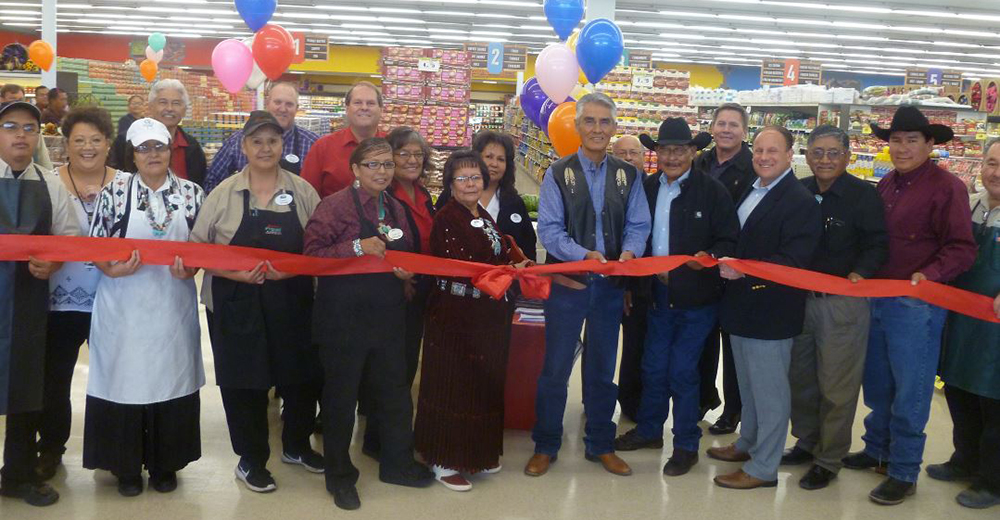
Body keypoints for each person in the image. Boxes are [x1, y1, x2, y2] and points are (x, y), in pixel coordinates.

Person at [843, 106, 977, 505]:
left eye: (911, 140)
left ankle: (903, 471)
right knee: (879, 385)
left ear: (929, 143)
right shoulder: (887, 185)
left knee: (912, 392)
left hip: (917, 307)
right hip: (879, 298)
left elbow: (962, 248)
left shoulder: (947, 187)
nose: (902, 148)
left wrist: (930, 275)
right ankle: (877, 449)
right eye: (896, 140)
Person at [190, 111, 324, 493]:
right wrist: (235, 274)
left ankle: (296, 446)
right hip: (235, 302)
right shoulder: (223, 193)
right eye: (257, 141)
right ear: (244, 147)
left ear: (283, 146)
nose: (266, 148)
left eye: (273, 141)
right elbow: (198, 249)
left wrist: (293, 271)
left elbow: (317, 249)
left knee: (300, 378)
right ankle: (251, 459)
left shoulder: (302, 192)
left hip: (292, 299)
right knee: (243, 384)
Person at [303, 137, 433, 510]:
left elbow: (408, 254)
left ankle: (397, 463)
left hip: (388, 318)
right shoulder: (334, 207)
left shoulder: (396, 208)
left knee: (394, 394)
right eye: (372, 165)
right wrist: (357, 247)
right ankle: (340, 476)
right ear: (356, 170)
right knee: (341, 400)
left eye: (387, 164)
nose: (382, 172)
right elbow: (311, 256)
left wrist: (408, 274)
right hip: (343, 320)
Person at [526, 92, 651, 478]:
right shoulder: (557, 173)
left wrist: (628, 253)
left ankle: (600, 443)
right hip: (569, 284)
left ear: (614, 128)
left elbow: (638, 224)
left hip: (610, 288)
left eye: (605, 122)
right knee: (555, 369)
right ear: (578, 126)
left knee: (601, 371)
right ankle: (546, 444)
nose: (597, 129)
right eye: (590, 121)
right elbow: (549, 230)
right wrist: (584, 255)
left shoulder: (627, 174)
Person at [84, 117, 206, 497]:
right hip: (123, 306)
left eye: (160, 147)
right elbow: (95, 246)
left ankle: (165, 464)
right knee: (124, 380)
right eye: (144, 148)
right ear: (132, 155)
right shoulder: (114, 192)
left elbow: (203, 247)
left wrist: (193, 269)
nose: (153, 154)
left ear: (170, 151)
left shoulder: (191, 193)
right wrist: (112, 270)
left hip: (172, 306)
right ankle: (125, 468)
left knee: (170, 379)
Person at [613, 118, 738, 478]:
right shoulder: (646, 188)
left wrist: (706, 260)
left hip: (697, 300)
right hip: (655, 295)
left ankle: (685, 444)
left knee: (683, 371)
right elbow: (633, 237)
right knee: (653, 366)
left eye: (679, 149)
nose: (671, 156)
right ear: (656, 153)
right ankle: (651, 430)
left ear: (693, 152)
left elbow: (728, 242)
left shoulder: (712, 192)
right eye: (665, 149)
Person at [708, 126, 822, 490]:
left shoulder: (799, 200)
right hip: (741, 307)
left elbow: (795, 259)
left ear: (791, 155)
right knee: (749, 386)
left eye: (773, 151)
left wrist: (746, 271)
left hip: (772, 310)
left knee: (770, 392)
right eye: (758, 150)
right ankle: (748, 443)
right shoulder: (752, 188)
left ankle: (764, 467)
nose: (764, 157)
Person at [415, 149, 530, 491]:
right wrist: (509, 270)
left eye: (475, 177)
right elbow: (466, 267)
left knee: (482, 384)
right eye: (461, 178)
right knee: (453, 385)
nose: (469, 183)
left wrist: (514, 261)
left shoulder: (481, 213)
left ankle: (475, 453)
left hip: (487, 316)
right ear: (450, 184)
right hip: (455, 317)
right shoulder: (447, 218)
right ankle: (443, 459)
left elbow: (497, 252)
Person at [781, 125, 889, 490]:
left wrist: (862, 272)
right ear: (807, 156)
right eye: (818, 152)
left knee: (837, 386)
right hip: (801, 301)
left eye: (833, 153)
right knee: (802, 379)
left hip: (842, 305)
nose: (824, 160)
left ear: (847, 156)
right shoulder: (800, 191)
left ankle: (829, 459)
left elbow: (878, 243)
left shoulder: (863, 196)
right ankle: (807, 442)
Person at [0, 100, 80, 507]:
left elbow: (67, 237)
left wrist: (54, 261)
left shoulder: (50, 184)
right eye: (11, 126)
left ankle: (17, 473)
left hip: (30, 303)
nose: (20, 135)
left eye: (29, 128)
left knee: (25, 387)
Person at [34, 107, 120, 482]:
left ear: (108, 144)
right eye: (79, 140)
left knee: (117, 375)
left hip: (115, 298)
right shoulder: (49, 183)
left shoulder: (126, 185)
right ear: (65, 145)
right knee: (54, 379)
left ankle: (116, 450)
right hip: (61, 300)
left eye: (96, 140)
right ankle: (51, 447)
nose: (88, 148)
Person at [928, 137, 1000, 509]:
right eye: (990, 163)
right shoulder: (970, 206)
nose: (995, 172)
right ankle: (964, 459)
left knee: (994, 402)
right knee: (959, 390)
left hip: (996, 329)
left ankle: (993, 480)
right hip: (963, 321)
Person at [358, 127, 437, 460]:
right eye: (403, 153)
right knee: (389, 370)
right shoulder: (383, 198)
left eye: (418, 154)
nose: (411, 160)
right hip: (390, 296)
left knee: (404, 368)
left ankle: (392, 434)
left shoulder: (424, 196)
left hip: (418, 294)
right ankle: (379, 440)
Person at [694, 102, 754, 435]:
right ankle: (704, 397)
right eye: (721, 123)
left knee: (732, 345)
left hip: (734, 267)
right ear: (713, 127)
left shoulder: (753, 166)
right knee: (703, 340)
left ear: (744, 131)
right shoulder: (700, 161)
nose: (726, 129)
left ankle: (733, 409)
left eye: (733, 124)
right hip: (701, 264)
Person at [204, 82, 320, 192]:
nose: (283, 109)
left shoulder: (313, 144)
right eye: (277, 102)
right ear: (267, 103)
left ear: (297, 108)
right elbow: (213, 181)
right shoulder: (239, 140)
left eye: (289, 104)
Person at [612, 134, 651, 422]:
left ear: (643, 157)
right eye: (622, 153)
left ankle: (633, 402)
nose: (628, 159)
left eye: (633, 153)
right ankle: (596, 399)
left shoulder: (653, 188)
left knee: (638, 344)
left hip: (642, 283)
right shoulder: (607, 188)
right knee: (601, 344)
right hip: (605, 279)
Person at [108, 79, 207, 187]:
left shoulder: (192, 146)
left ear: (184, 110)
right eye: (163, 102)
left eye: (176, 103)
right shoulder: (126, 141)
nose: (169, 108)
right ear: (150, 106)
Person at [302, 81, 385, 199]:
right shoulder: (323, 147)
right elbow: (306, 196)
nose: (364, 107)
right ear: (347, 108)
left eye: (371, 103)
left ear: (381, 109)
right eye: (357, 102)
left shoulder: (392, 145)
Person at [0, 84, 53, 170]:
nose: (21, 134)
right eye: (13, 99)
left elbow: (43, 160)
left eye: (20, 100)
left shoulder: (34, 131)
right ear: (1, 100)